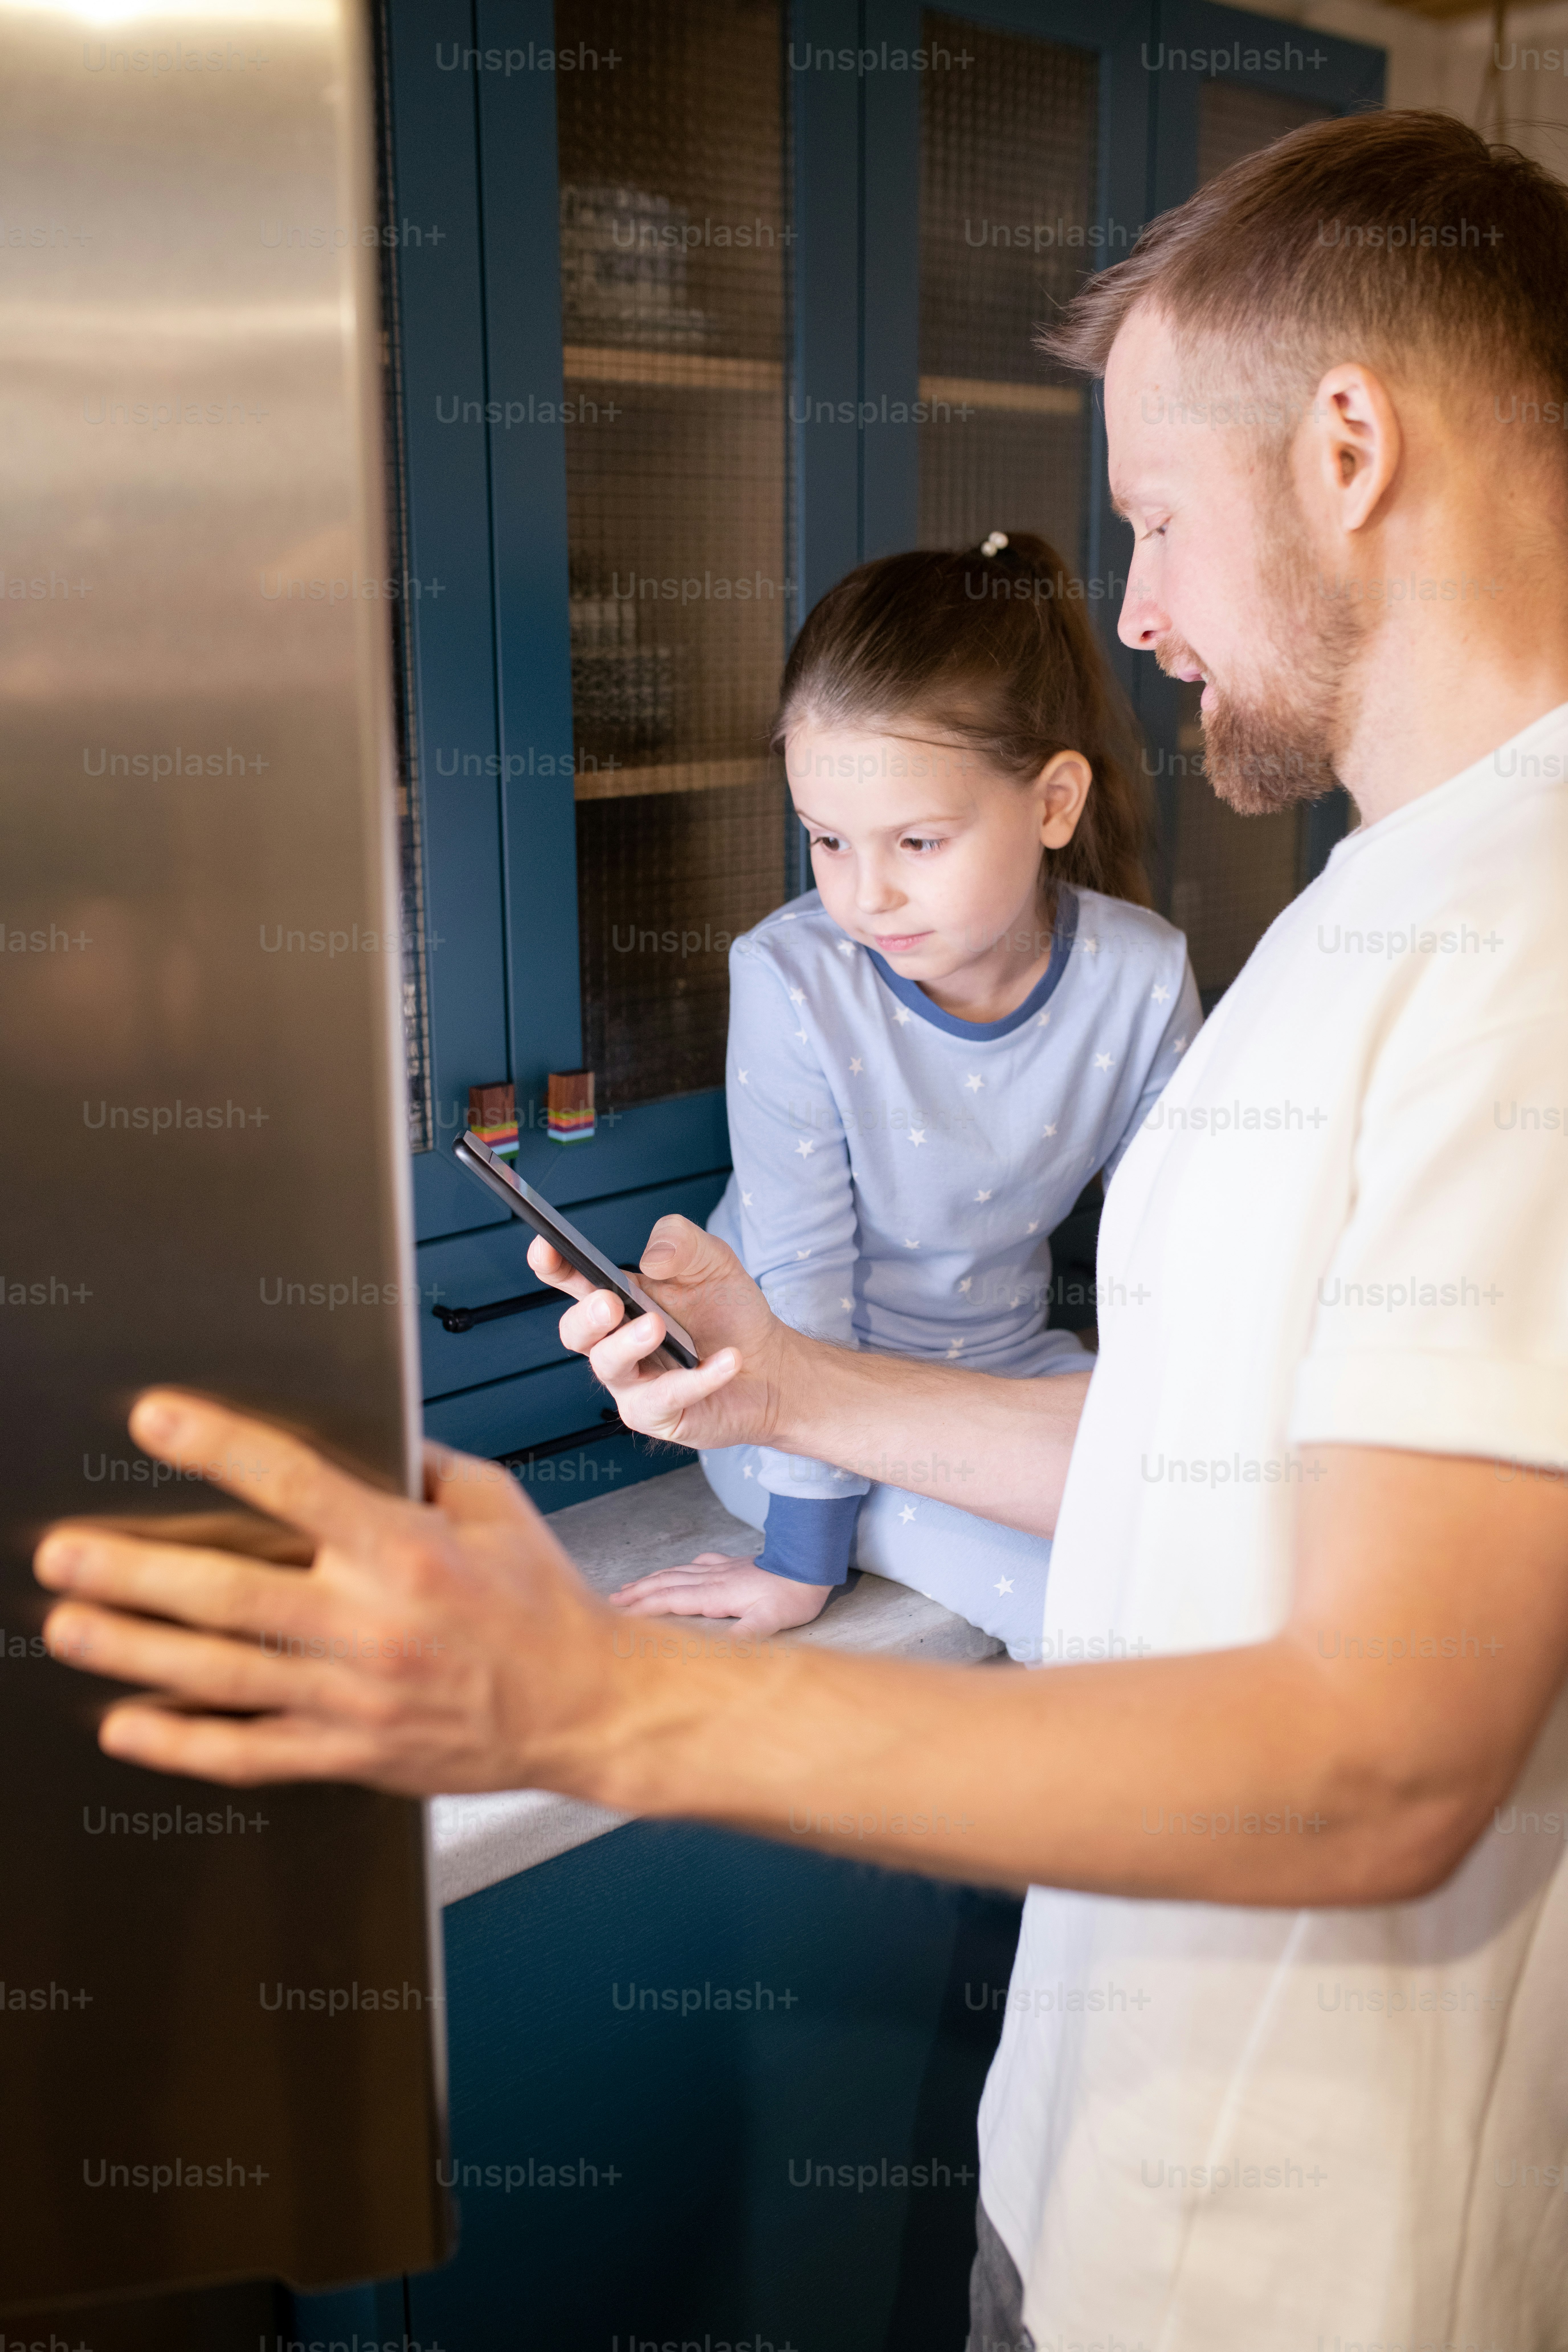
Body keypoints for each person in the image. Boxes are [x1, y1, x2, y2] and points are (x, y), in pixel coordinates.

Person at [32, 111, 1568, 2348]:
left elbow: (1373, 1762)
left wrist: (585, 1698)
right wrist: (793, 1390)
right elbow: (1189, 1462)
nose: (1124, 612)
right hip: (1137, 2173)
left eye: (1152, 515)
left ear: (1348, 445)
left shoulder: (1524, 944)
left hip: (1308, 2265)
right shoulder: (1394, 896)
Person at [611, 534, 1198, 1655]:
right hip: (796, 1408)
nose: (865, 893)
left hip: (1006, 1378)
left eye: (918, 841)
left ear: (1053, 802)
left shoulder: (1140, 972)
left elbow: (1171, 1254)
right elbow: (802, 1292)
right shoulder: (791, 981)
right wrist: (797, 1564)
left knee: (1211, 1541)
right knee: (1087, 1616)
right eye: (827, 840)